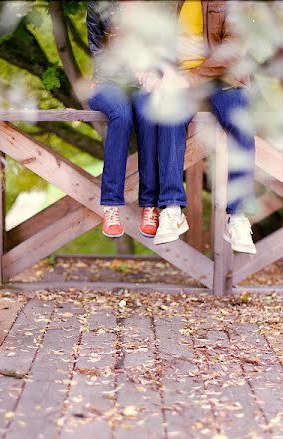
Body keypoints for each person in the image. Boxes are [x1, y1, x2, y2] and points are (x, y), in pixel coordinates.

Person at [134, 0, 257, 253]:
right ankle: (171, 209)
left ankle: (238, 217)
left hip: (223, 79)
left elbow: (232, 51)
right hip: (178, 82)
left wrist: (188, 79)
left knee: (241, 122)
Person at [86, 0, 159, 239]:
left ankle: (150, 206)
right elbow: (97, 48)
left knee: (149, 115)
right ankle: (111, 207)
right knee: (122, 115)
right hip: (107, 83)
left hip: (141, 84)